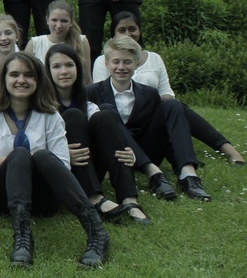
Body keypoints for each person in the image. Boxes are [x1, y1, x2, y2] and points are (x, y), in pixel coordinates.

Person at [0, 53, 110, 267]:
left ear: (38, 81)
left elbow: (62, 165)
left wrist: (19, 158)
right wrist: (13, 161)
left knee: (41, 155)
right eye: (14, 75)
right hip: (1, 196)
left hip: (44, 198)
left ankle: (97, 232)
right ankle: (22, 237)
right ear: (3, 79)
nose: (21, 80)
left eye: (29, 75)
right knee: (20, 154)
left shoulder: (50, 115)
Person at [93, 12, 243, 166]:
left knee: (174, 106)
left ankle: (225, 149)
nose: (128, 34)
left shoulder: (154, 58)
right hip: (119, 122)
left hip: (152, 116)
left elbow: (166, 92)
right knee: (175, 108)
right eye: (121, 30)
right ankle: (181, 157)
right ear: (114, 33)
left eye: (132, 29)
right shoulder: (105, 61)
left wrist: (155, 105)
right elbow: (103, 94)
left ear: (140, 30)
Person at [87, 35, 211, 202]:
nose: (121, 67)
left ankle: (188, 175)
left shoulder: (150, 93)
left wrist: (175, 162)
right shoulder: (91, 93)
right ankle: (153, 173)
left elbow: (161, 132)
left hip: (146, 148)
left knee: (173, 104)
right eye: (116, 62)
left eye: (127, 62)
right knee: (106, 110)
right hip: (115, 152)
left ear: (137, 64)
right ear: (107, 64)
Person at [46, 42, 150, 226]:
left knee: (105, 115)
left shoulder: (87, 102)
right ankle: (94, 198)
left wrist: (130, 153)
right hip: (61, 172)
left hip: (89, 165)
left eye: (69, 65)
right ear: (48, 71)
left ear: (78, 69)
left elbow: (108, 134)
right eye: (56, 66)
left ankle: (129, 199)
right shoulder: (40, 106)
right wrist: (62, 154)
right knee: (73, 116)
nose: (64, 71)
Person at [27, 0, 90, 68]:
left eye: (64, 21)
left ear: (71, 22)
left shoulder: (81, 41)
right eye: (54, 20)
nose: (59, 25)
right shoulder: (35, 44)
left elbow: (86, 74)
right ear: (47, 20)